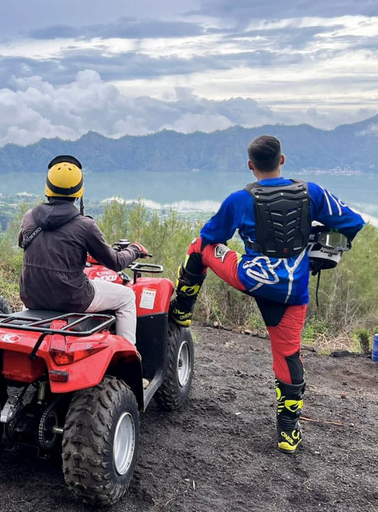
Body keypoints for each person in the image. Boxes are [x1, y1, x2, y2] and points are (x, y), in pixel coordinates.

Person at [168, 135, 365, 454]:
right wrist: (314, 241)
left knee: (198, 248)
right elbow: (353, 224)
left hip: (250, 277)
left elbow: (210, 236)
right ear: (282, 160)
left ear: (250, 166)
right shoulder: (312, 193)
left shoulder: (238, 199)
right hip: (292, 291)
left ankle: (182, 311)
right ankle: (288, 433)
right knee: (287, 356)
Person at [18, 155, 148, 345]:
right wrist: (134, 249)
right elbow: (116, 262)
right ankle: (128, 354)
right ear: (79, 191)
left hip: (31, 296)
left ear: (48, 187)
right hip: (70, 297)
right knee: (127, 297)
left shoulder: (29, 217)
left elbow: (24, 243)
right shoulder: (84, 225)